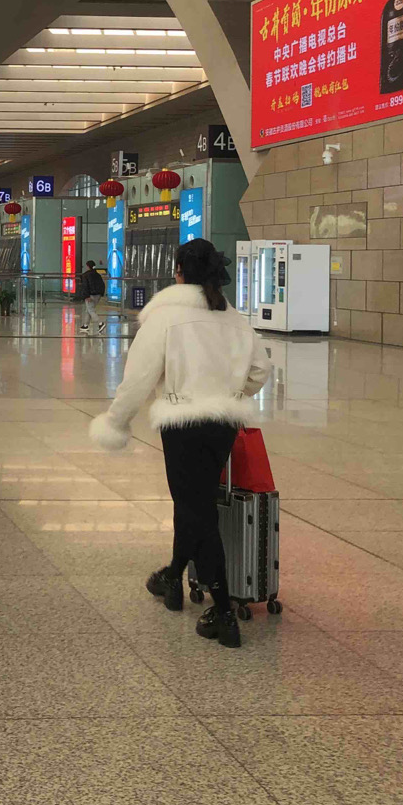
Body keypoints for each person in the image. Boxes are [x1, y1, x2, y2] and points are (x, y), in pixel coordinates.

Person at [88, 239, 271, 649]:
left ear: (179, 273)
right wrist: (230, 393)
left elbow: (138, 377)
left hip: (182, 424)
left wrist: (116, 421)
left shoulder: (165, 317)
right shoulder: (233, 318)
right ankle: (172, 576)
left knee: (197, 511)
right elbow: (260, 370)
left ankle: (223, 611)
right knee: (194, 503)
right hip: (223, 423)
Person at [81, 260, 107, 335]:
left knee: (91, 310)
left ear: (87, 266)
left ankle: (100, 323)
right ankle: (85, 325)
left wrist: (86, 296)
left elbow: (85, 286)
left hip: (90, 295)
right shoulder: (97, 274)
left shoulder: (85, 275)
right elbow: (102, 285)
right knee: (88, 309)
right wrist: (101, 294)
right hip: (98, 295)